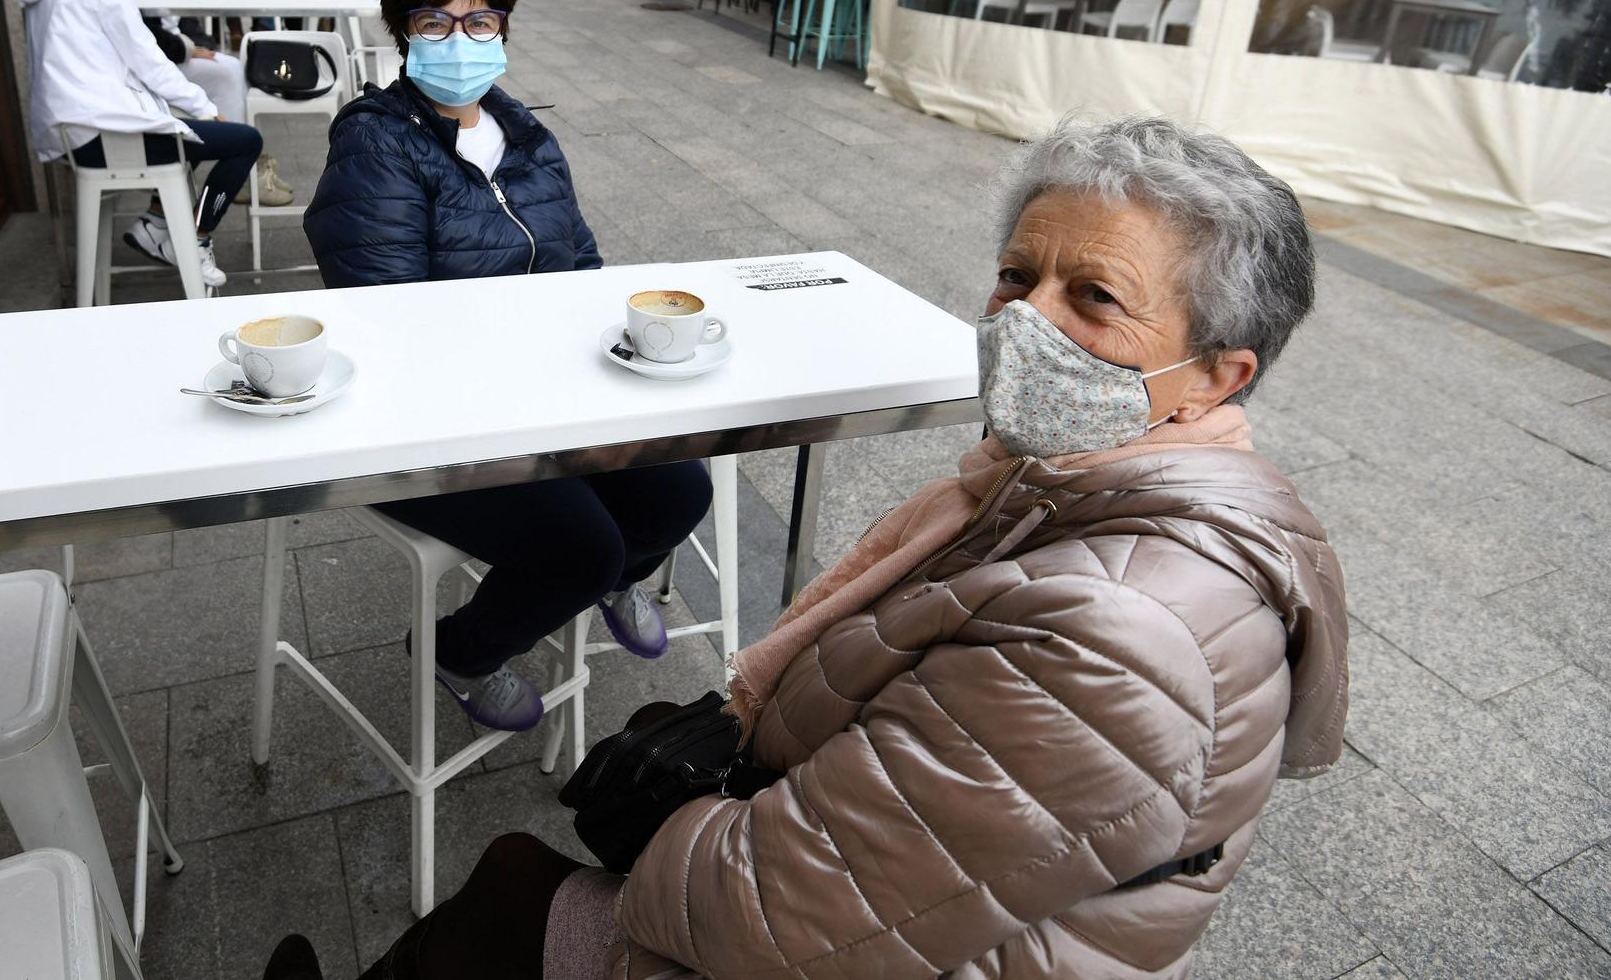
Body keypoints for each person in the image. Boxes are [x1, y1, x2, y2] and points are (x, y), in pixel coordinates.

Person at [272, 116, 1350, 979]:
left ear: (1217, 373)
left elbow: (773, 914)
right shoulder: (1054, 490)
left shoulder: (1123, 629)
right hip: (925, 902)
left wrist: (663, 820)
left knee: (511, 875)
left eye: (1094, 297)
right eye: (1016, 277)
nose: (1026, 321)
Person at [302, 0, 711, 734]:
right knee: (580, 546)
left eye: (481, 21)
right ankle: (458, 650)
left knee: (680, 491)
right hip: (433, 422)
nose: (461, 41)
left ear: (505, 28)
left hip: (550, 398)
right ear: (403, 32)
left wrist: (610, 345)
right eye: (436, 23)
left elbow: (583, 262)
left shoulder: (525, 134)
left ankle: (613, 578)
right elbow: (388, 315)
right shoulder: (376, 141)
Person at [11, 0, 262, 289]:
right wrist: (202, 105)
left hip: (71, 133)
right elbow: (147, 59)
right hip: (103, 134)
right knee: (242, 140)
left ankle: (157, 223)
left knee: (185, 130)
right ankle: (194, 240)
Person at [108, 0, 293, 206]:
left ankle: (242, 163)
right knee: (228, 71)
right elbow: (140, 33)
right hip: (154, 60)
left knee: (227, 67)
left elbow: (184, 11)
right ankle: (243, 165)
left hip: (175, 49)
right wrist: (190, 48)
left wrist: (200, 42)